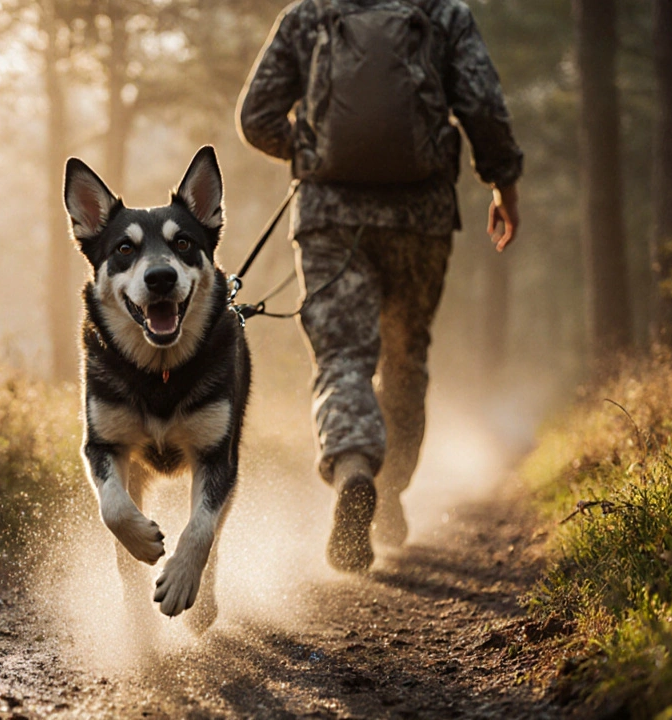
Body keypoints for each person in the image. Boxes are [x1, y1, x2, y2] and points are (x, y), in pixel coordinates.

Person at [237, 0, 523, 572]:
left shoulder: (309, 16)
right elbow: (483, 107)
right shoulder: (443, 15)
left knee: (343, 355)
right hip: (421, 219)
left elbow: (256, 116)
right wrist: (503, 184)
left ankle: (353, 469)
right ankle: (388, 494)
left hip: (329, 217)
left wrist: (311, 150)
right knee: (405, 354)